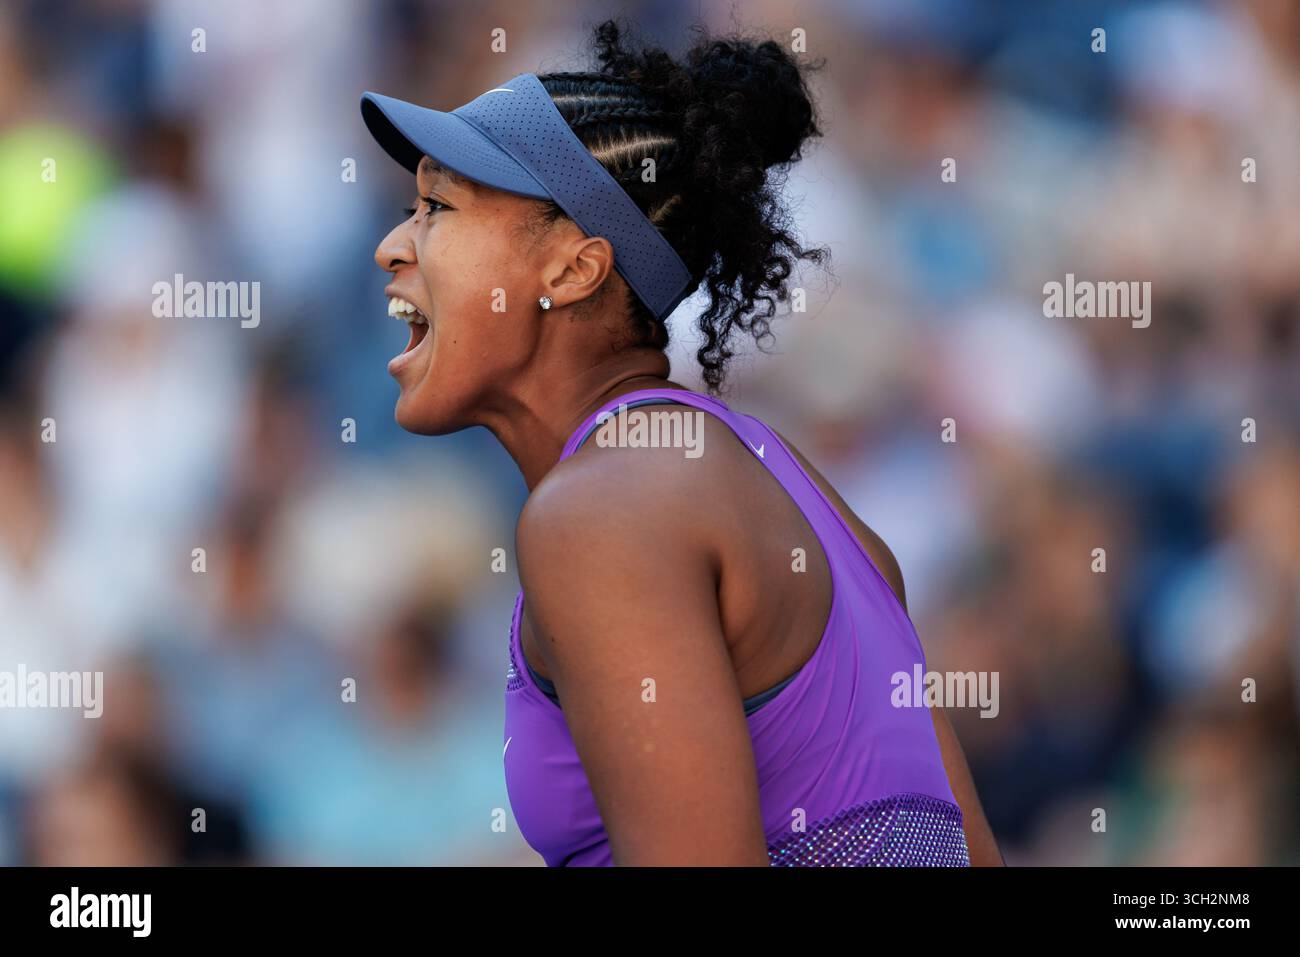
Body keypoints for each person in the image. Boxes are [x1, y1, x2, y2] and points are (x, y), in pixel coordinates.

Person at [361, 19, 1001, 866]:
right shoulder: (782, 478)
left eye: (438, 207)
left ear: (573, 269)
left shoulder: (602, 512)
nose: (391, 245)